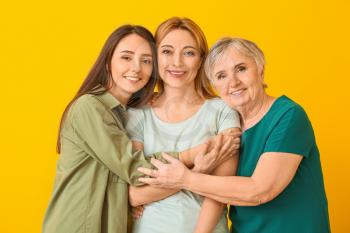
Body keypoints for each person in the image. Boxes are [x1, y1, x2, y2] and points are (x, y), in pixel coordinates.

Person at [42, 25, 235, 233]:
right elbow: (136, 170)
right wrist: (198, 162)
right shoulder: (90, 107)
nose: (136, 68)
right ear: (108, 61)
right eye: (126, 57)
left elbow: (132, 186)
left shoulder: (126, 113)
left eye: (146, 61)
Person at [137, 37, 331, 233]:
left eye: (241, 69)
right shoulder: (230, 125)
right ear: (215, 86)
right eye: (221, 76)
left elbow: (261, 190)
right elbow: (218, 188)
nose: (233, 82)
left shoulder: (287, 116)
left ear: (260, 69)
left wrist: (185, 178)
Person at [126, 17, 241, 233]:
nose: (177, 63)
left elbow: (221, 190)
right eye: (167, 51)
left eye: (189, 53)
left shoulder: (222, 110)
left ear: (201, 60)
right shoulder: (137, 114)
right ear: (155, 57)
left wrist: (177, 179)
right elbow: (134, 194)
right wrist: (199, 170)